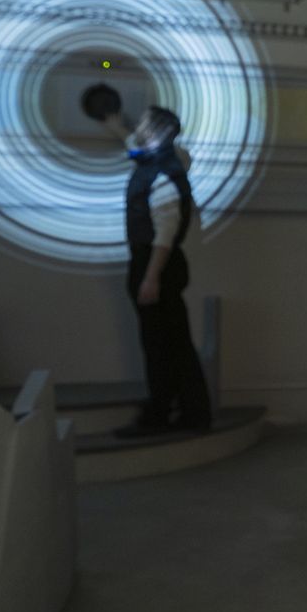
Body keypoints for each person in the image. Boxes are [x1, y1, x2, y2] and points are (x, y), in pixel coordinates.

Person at [88, 91, 212, 436]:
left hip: (157, 263)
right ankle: (186, 413)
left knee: (161, 344)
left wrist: (150, 278)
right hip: (160, 264)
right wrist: (111, 122)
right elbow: (131, 144)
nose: (137, 128)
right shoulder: (156, 161)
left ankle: (167, 415)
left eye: (144, 125)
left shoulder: (160, 176)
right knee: (170, 341)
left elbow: (165, 233)